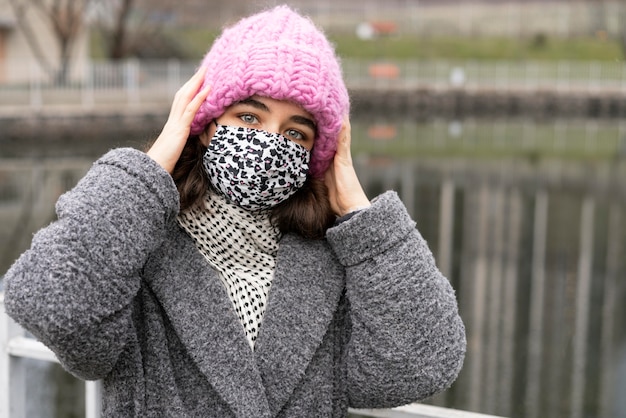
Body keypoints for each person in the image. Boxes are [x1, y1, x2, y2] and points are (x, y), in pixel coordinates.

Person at [3, 5, 466, 417]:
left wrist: (364, 218)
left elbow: (421, 364)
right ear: (205, 124)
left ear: (315, 156)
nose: (268, 143)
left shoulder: (331, 260)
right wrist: (149, 168)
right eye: (249, 117)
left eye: (296, 133)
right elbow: (54, 308)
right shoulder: (137, 238)